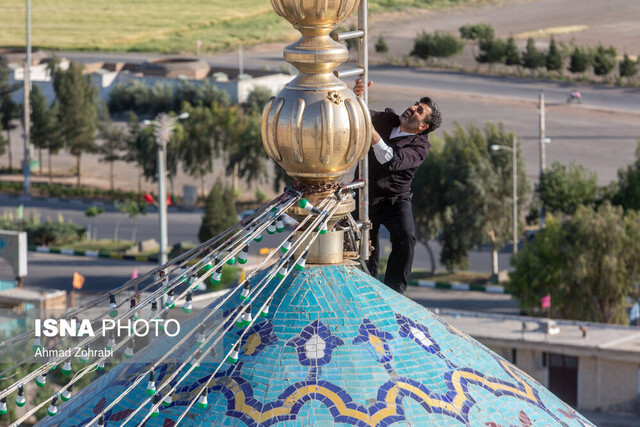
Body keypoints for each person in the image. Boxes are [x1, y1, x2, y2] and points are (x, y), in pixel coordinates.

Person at [353, 79, 442, 295]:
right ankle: (366, 288)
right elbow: (359, 115)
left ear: (423, 127)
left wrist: (372, 135)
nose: (412, 108)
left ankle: (396, 292)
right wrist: (357, 96)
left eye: (419, 110)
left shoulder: (420, 147)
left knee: (406, 236)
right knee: (365, 247)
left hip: (395, 200)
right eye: (415, 104)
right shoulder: (388, 119)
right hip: (368, 196)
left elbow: (391, 160)